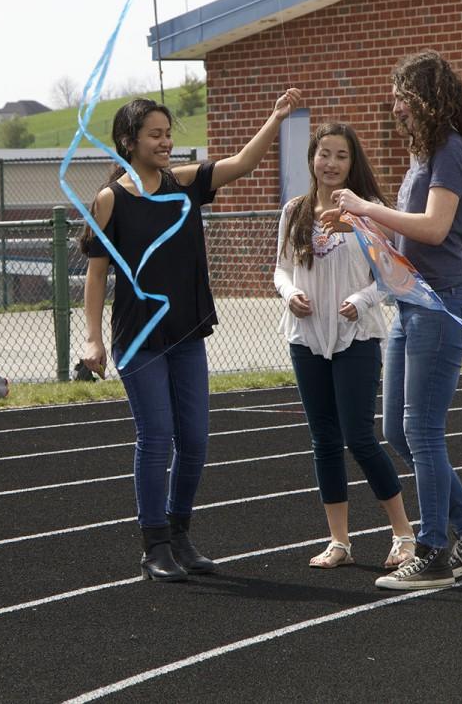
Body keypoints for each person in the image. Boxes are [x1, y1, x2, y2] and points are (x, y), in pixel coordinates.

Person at [82, 90, 301, 581]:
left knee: (196, 441)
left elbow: (242, 163)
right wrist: (92, 340)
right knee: (156, 438)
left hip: (187, 333)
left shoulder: (183, 184)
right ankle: (153, 544)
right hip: (139, 339)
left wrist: (276, 115)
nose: (165, 142)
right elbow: (97, 276)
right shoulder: (110, 200)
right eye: (155, 135)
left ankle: (180, 534)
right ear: (128, 141)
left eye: (168, 134)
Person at [322, 50, 462, 590]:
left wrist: (367, 207)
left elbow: (434, 228)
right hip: (415, 301)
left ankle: (434, 549)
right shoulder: (425, 154)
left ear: (427, 98)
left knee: (422, 430)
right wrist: (361, 229)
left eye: (403, 96)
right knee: (397, 430)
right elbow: (408, 236)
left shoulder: (452, 151)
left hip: (445, 302)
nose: (395, 106)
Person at [274, 122, 415, 569]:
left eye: (341, 156)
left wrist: (361, 299)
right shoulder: (294, 211)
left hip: (357, 337)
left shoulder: (368, 212)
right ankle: (339, 541)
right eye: (324, 154)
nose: (330, 163)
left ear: (353, 163)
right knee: (324, 441)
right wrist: (288, 293)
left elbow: (391, 278)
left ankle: (403, 533)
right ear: (312, 158)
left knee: (359, 436)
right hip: (307, 338)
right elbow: (279, 269)